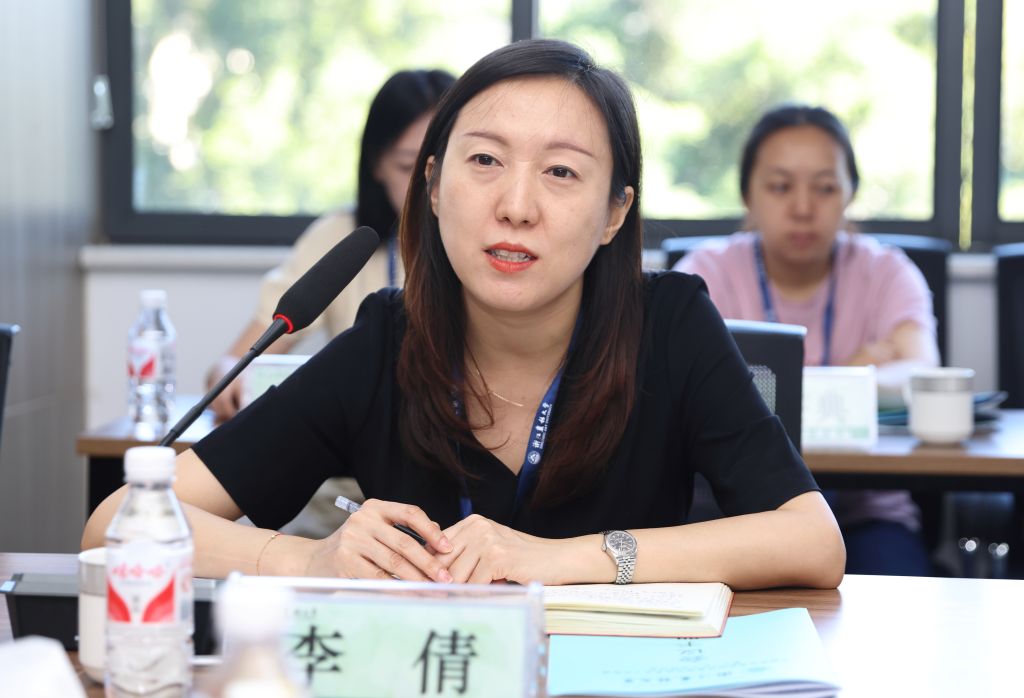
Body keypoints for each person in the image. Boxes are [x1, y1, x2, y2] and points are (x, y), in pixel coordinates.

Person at [84, 40, 845, 589]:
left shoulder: (670, 326)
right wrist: (308, 559)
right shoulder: (386, 341)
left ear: (615, 213)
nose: (516, 205)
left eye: (561, 172)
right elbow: (115, 524)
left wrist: (562, 560)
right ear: (433, 185)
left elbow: (813, 541)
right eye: (484, 161)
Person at [674, 104, 939, 576]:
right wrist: (854, 374)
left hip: (865, 513)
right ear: (748, 195)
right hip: (732, 519)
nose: (802, 208)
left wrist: (771, 387)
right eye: (780, 187)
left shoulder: (887, 270)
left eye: (825, 187)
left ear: (851, 193)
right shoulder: (705, 272)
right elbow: (675, 390)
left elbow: (920, 373)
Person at [208, 68, 456, 422]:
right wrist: (228, 378)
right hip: (358, 452)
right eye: (407, 167)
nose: (425, 185)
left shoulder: (488, 240)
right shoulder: (342, 238)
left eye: (440, 167)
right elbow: (234, 365)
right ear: (376, 165)